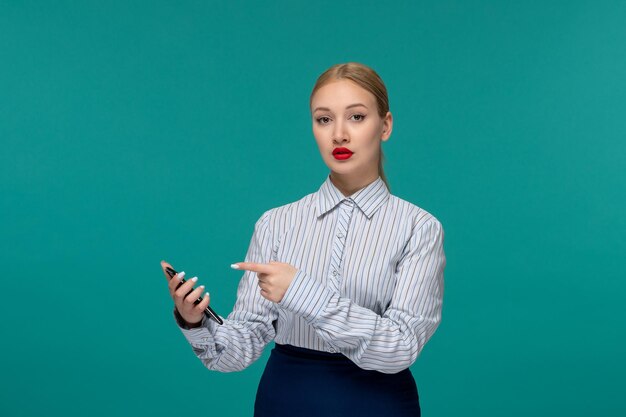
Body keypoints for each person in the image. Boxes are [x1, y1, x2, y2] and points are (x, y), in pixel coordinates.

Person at [161, 62, 445, 417]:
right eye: (324, 119)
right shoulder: (275, 223)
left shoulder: (419, 228)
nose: (339, 134)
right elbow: (237, 351)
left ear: (385, 125)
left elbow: (400, 347)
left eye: (356, 117)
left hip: (378, 404)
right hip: (285, 400)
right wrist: (195, 321)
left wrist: (301, 291)